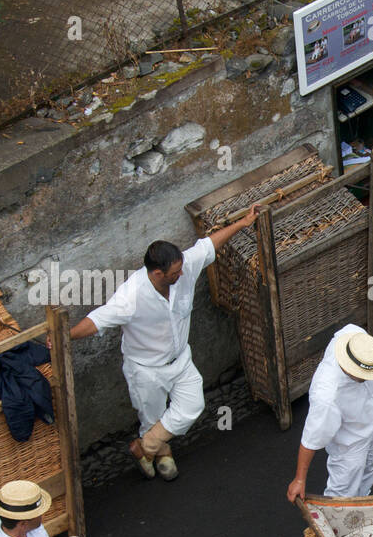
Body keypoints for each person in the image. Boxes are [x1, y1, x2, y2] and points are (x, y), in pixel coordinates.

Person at [69, 205, 260, 481]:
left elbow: (208, 245)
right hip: (146, 369)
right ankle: (161, 453)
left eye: (181, 269)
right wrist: (67, 336)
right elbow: (97, 320)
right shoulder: (131, 295)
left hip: (180, 360)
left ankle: (143, 447)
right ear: (157, 274)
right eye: (174, 273)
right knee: (152, 417)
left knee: (192, 406)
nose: (181, 275)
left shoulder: (184, 265)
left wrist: (243, 222)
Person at [286, 324, 373, 502]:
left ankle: (360, 506)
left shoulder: (354, 337)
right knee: (342, 492)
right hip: (350, 443)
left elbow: (368, 359)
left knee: (370, 470)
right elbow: (310, 439)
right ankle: (334, 524)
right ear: (349, 368)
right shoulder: (327, 396)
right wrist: (299, 479)